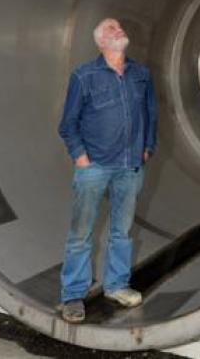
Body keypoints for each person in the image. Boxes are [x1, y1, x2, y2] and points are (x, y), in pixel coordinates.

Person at [57, 18, 157, 324]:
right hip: (94, 167)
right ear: (101, 42)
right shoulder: (84, 75)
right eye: (111, 28)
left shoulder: (140, 74)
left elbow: (151, 114)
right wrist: (81, 157)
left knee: (122, 232)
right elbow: (68, 124)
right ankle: (73, 295)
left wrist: (147, 146)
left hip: (130, 166)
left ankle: (117, 285)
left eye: (120, 27)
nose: (119, 30)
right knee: (81, 234)